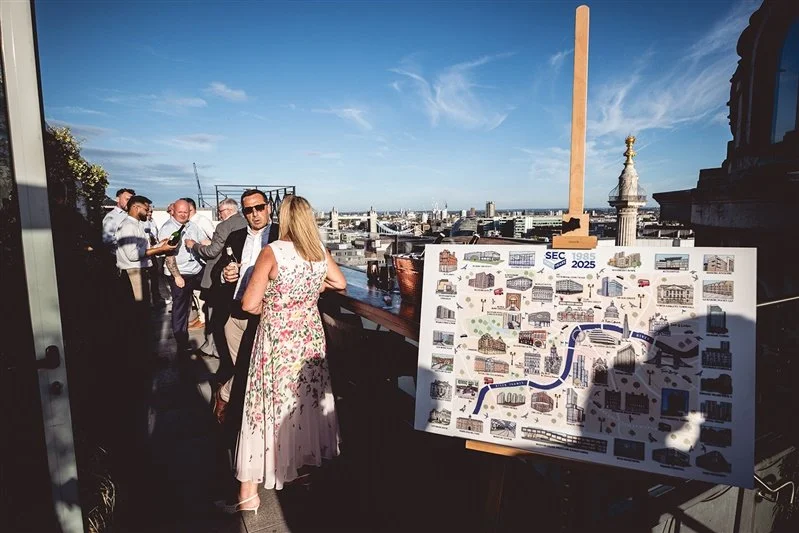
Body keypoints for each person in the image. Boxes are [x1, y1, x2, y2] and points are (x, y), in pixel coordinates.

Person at [218, 195, 346, 514]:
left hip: (278, 338)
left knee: (264, 406)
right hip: (309, 336)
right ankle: (301, 469)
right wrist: (310, 292)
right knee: (303, 401)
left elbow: (249, 304)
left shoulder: (272, 251)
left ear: (283, 218)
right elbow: (339, 282)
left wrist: (278, 305)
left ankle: (248, 493)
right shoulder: (318, 250)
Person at [209, 190, 279, 424]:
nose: (255, 214)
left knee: (255, 368)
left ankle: (226, 396)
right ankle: (245, 417)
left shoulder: (281, 235)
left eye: (259, 207)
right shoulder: (236, 236)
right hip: (235, 313)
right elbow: (217, 269)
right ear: (243, 213)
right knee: (244, 368)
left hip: (266, 314)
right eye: (249, 210)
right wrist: (225, 274)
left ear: (268, 207)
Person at [185, 198, 247, 357]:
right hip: (239, 274)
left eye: (220, 211)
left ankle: (212, 347)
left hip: (219, 275)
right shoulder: (245, 222)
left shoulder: (224, 226)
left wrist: (195, 245)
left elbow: (212, 252)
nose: (219, 215)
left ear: (228, 210)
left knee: (214, 313)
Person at [159, 199, 206, 355]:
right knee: (180, 309)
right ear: (173, 211)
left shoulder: (192, 225)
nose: (183, 215)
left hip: (196, 270)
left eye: (186, 212)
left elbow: (204, 241)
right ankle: (182, 342)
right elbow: (169, 255)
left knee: (212, 292)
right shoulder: (168, 229)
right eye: (180, 212)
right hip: (180, 273)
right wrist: (177, 276)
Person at [102, 187, 135, 256]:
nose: (130, 203)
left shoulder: (131, 215)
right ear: (117, 199)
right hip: (118, 257)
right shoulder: (111, 217)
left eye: (132, 200)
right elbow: (108, 240)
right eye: (127, 199)